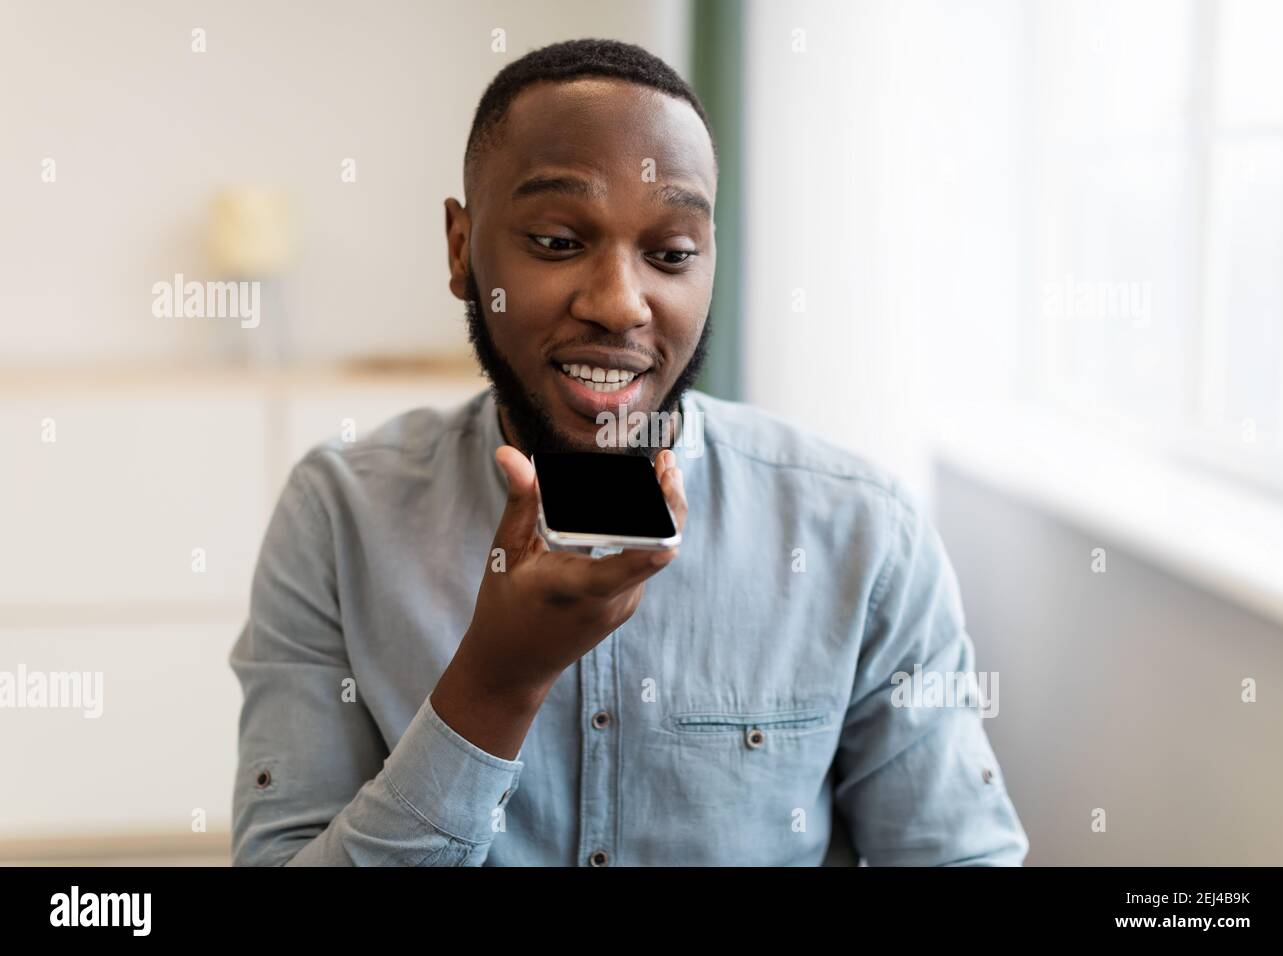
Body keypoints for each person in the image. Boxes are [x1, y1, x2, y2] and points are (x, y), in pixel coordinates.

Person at [229, 38, 1029, 866]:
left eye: (672, 254)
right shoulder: (338, 518)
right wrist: (494, 687)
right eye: (556, 241)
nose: (619, 305)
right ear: (462, 250)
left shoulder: (866, 534)